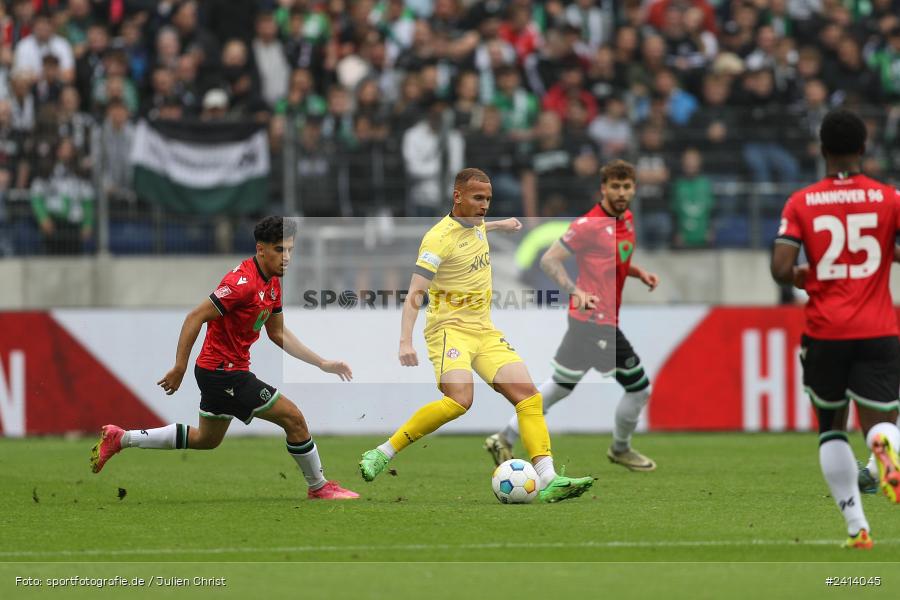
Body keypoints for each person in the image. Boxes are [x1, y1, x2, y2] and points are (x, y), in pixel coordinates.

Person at [358, 168, 594, 503]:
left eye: (488, 199)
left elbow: (477, 228)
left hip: (483, 330)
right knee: (459, 400)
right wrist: (405, 341)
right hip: (448, 330)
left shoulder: (477, 223)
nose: (484, 206)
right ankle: (383, 452)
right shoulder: (437, 239)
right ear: (457, 197)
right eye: (478, 198)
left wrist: (503, 224)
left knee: (529, 397)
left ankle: (549, 478)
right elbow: (414, 292)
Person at [90, 217, 360, 501]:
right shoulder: (241, 284)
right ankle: (319, 487)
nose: (287, 257)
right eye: (280, 250)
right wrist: (179, 366)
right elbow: (195, 316)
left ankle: (121, 438)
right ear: (261, 249)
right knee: (293, 418)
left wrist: (322, 363)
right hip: (224, 374)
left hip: (221, 371)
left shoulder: (272, 283)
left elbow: (278, 333)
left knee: (206, 439)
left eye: (290, 250)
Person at [771, 109, 900, 549]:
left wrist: (805, 276)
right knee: (883, 418)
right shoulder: (890, 198)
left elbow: (780, 267)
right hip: (879, 328)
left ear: (822, 150)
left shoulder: (801, 202)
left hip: (826, 332)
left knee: (831, 426)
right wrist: (885, 256)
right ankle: (885, 446)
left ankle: (857, 528)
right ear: (865, 148)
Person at [484, 160, 661, 472]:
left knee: (559, 386)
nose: (621, 192)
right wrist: (574, 290)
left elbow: (613, 262)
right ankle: (620, 448)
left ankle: (504, 437)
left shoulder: (627, 219)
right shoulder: (588, 225)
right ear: (603, 189)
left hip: (589, 322)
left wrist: (637, 272)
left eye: (626, 186)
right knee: (639, 388)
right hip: (595, 322)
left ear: (634, 188)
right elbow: (550, 261)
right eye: (615, 186)